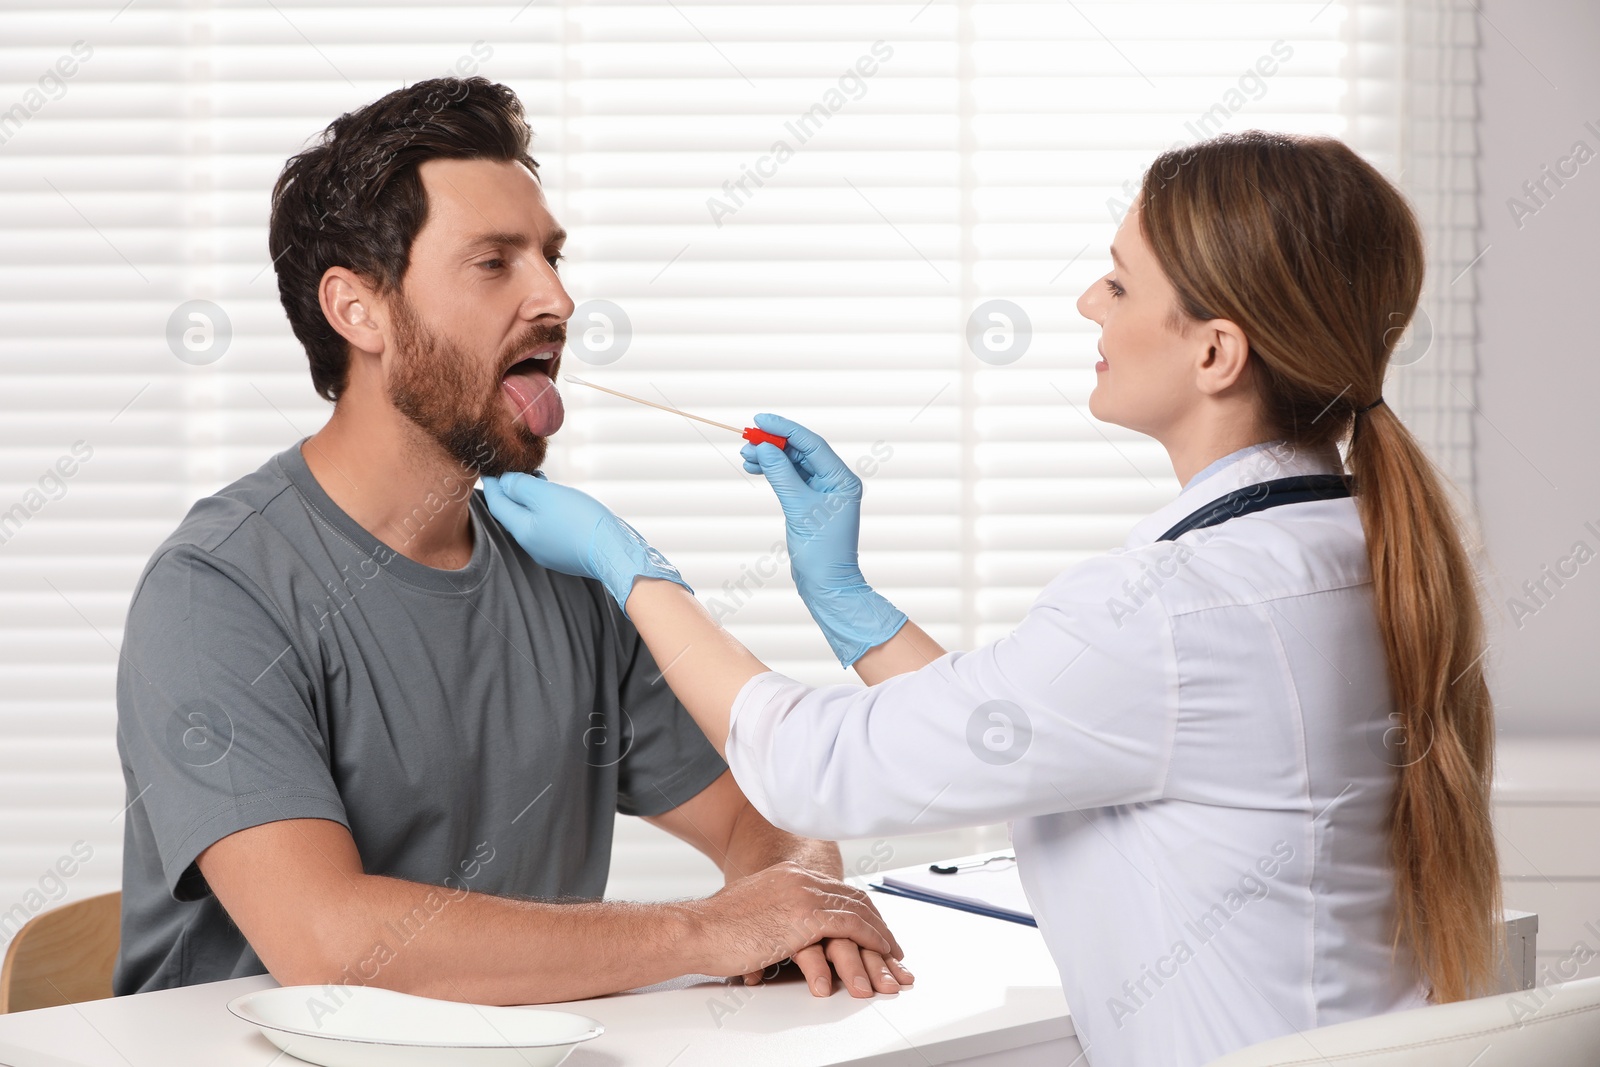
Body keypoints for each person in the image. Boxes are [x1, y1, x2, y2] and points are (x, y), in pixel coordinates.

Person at [482, 131, 1502, 1066]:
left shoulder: (1175, 609)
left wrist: (630, 569)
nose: (1086, 306)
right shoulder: (1340, 551)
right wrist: (847, 599)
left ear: (1214, 353)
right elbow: (1030, 730)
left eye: (1117, 282)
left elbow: (810, 768)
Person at [112, 76, 914, 1004]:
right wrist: (705, 927)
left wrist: (790, 899)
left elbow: (770, 813)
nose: (558, 300)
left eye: (553, 257)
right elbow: (327, 941)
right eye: (496, 262)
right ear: (356, 310)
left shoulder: (562, 571)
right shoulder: (217, 592)